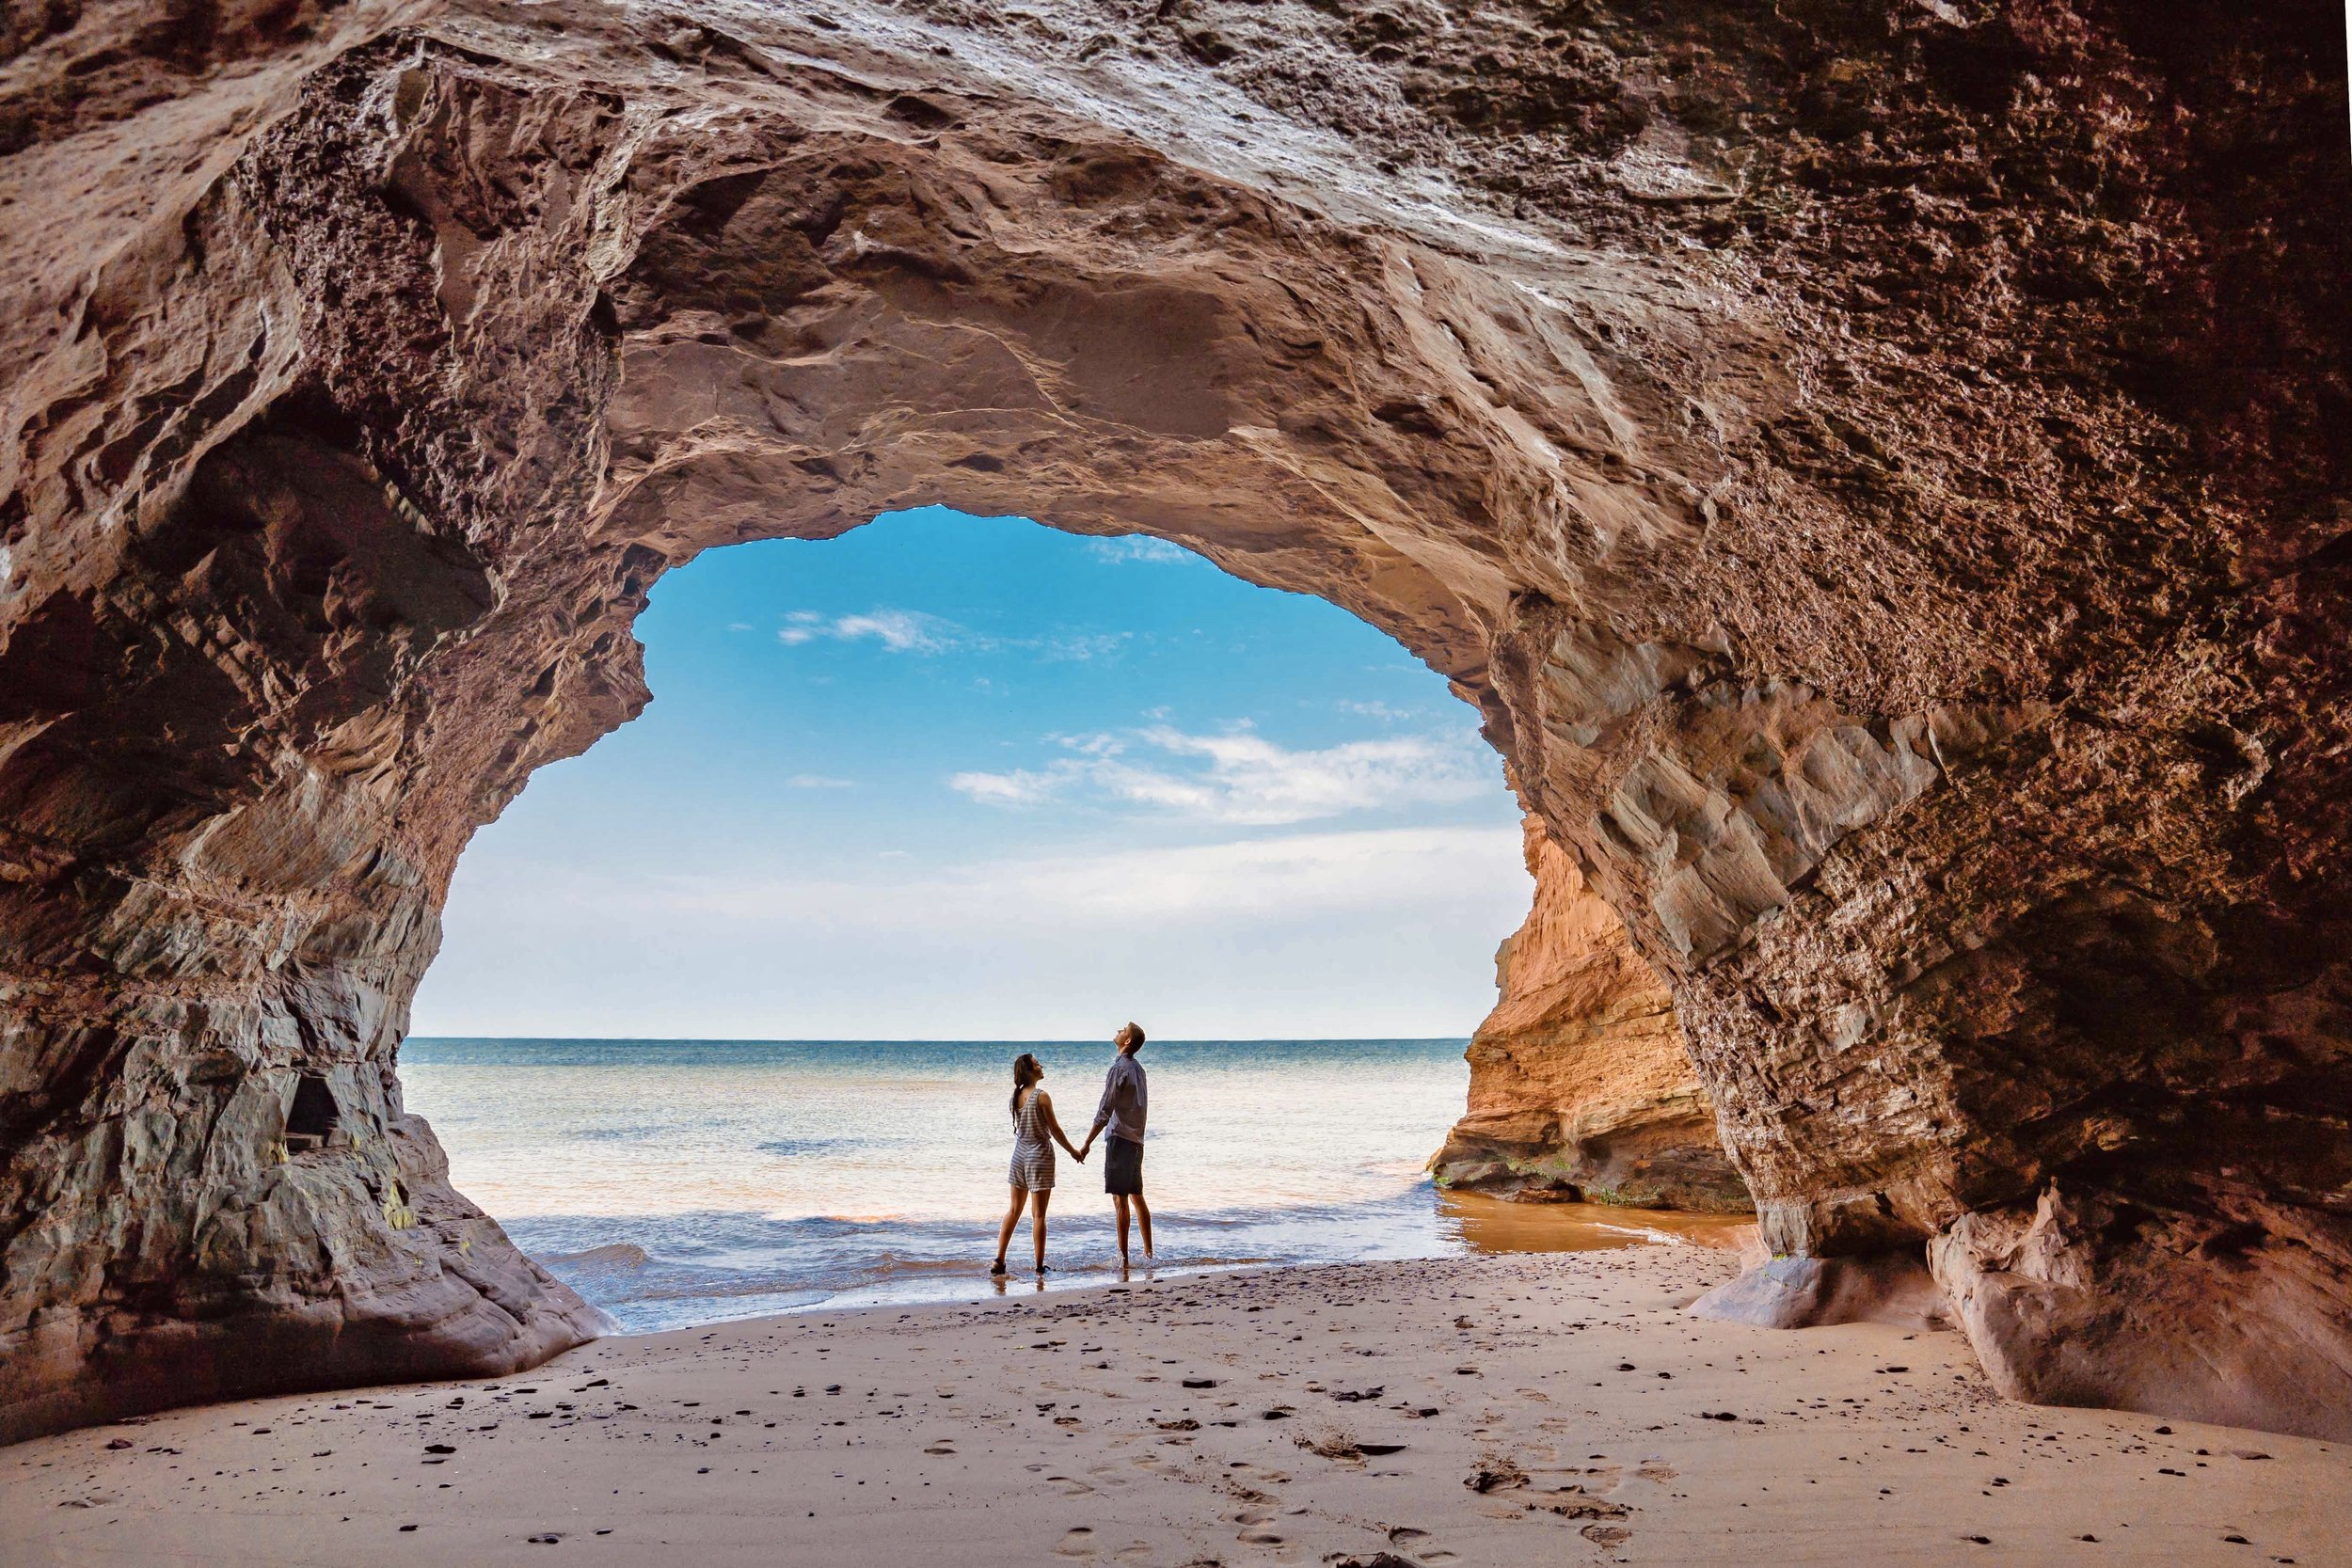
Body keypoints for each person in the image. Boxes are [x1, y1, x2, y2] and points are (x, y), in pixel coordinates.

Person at [992, 1053, 1085, 1275]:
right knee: (1039, 1215)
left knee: (1013, 1210)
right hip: (1039, 1156)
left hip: (1019, 1156)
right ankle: (1039, 1266)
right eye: (1037, 1064)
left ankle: (999, 1259)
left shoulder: (1015, 1097)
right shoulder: (1042, 1096)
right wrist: (1074, 1152)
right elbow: (1055, 1130)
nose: (1041, 1066)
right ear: (1030, 1070)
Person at [1077, 1022, 1152, 1266]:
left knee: (1120, 1200)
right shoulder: (1139, 1069)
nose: (1118, 1031)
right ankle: (1148, 1253)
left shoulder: (1119, 1069)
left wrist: (1087, 1142)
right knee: (1136, 1196)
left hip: (1120, 1138)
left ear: (1127, 1041)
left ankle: (1123, 1258)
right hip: (1136, 1140)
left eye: (1122, 1031)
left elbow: (1105, 1110)